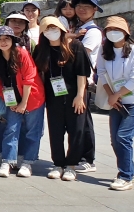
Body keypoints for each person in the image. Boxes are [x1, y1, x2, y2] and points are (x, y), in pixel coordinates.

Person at [33, 17, 92, 181]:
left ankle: (72, 165)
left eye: (54, 28)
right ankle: (58, 163)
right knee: (56, 130)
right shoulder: (40, 50)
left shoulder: (75, 46)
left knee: (77, 130)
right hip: (53, 97)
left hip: (75, 95)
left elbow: (82, 73)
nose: (51, 32)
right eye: (47, 29)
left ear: (61, 29)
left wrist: (81, 96)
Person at [97, 16, 134, 191]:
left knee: (124, 137)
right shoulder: (104, 51)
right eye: (109, 30)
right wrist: (112, 95)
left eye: (117, 30)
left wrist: (118, 94)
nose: (113, 33)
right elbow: (102, 73)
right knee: (115, 140)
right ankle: (130, 172)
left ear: (127, 33)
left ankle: (124, 176)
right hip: (117, 101)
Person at [0, 26, 45, 179]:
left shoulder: (22, 53)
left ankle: (27, 162)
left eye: (7, 38)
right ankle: (8, 161)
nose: (3, 42)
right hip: (12, 100)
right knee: (11, 129)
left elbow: (29, 78)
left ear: (13, 40)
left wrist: (24, 103)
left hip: (32, 98)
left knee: (32, 131)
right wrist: (11, 103)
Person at [71, 0, 102, 174]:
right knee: (78, 120)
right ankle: (80, 155)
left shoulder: (92, 32)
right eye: (79, 5)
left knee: (83, 121)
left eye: (87, 6)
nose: (81, 9)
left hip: (82, 79)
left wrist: (69, 38)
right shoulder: (79, 29)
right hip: (73, 79)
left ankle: (88, 158)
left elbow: (82, 53)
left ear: (95, 10)